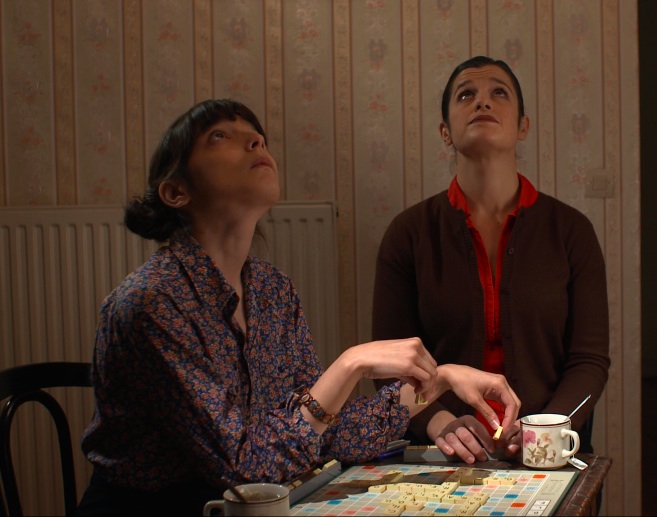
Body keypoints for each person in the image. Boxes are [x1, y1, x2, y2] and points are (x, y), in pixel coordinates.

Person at [76, 98, 520, 516]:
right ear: (176, 192)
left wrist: (439, 379)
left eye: (257, 136)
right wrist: (351, 363)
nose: (256, 140)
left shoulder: (272, 291)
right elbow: (245, 470)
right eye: (219, 136)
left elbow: (320, 432)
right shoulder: (152, 303)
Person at [371, 56, 610, 464]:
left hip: (549, 450)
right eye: (466, 95)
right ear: (445, 132)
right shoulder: (408, 233)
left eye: (499, 93)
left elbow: (589, 360)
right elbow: (388, 366)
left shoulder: (571, 231)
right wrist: (440, 422)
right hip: (444, 454)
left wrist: (546, 429)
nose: (483, 101)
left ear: (523, 126)